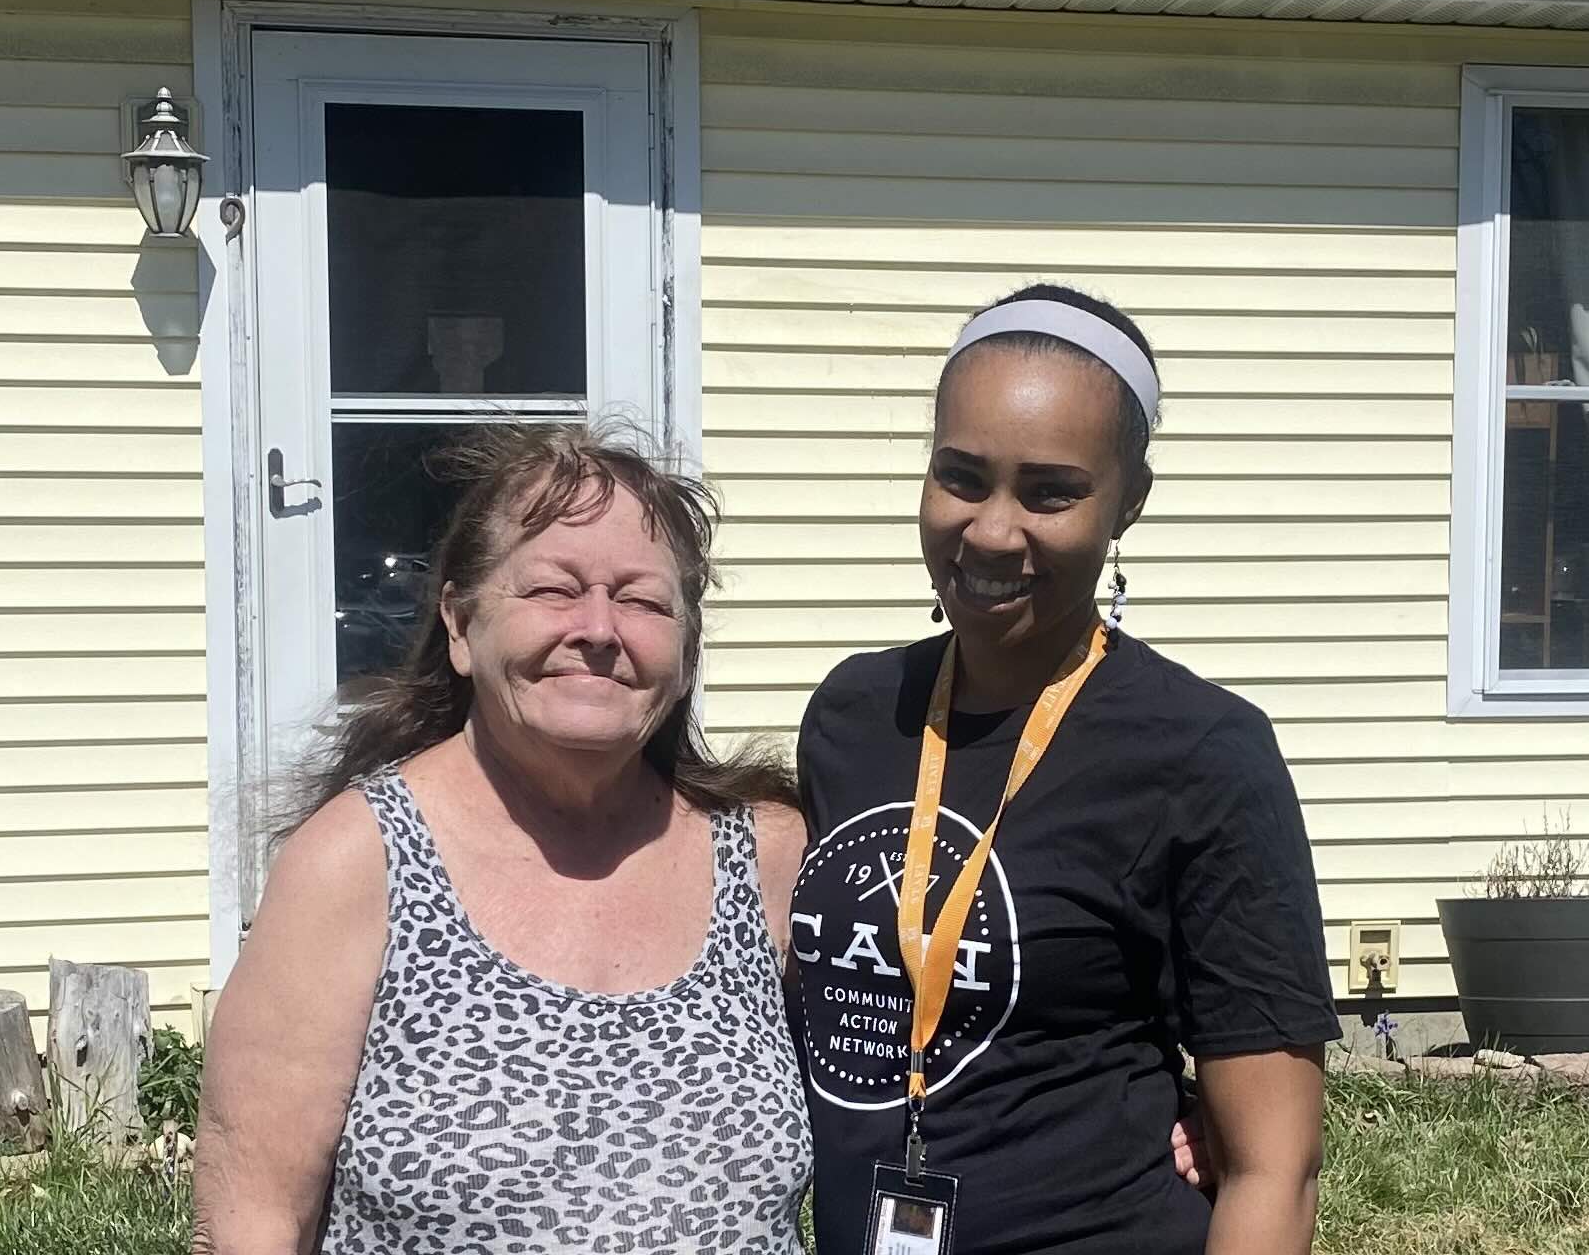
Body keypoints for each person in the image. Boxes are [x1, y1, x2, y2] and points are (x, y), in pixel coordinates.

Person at [789, 285, 1337, 1255]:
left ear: (1127, 499)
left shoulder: (1200, 751)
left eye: (1049, 491)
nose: (993, 530)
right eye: (960, 476)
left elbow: (1272, 1166)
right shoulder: (851, 713)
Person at [193, 424, 812, 1255]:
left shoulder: (769, 856)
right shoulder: (358, 862)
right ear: (459, 622)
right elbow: (251, 1215)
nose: (599, 627)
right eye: (554, 590)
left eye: (641, 600)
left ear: (687, 645)